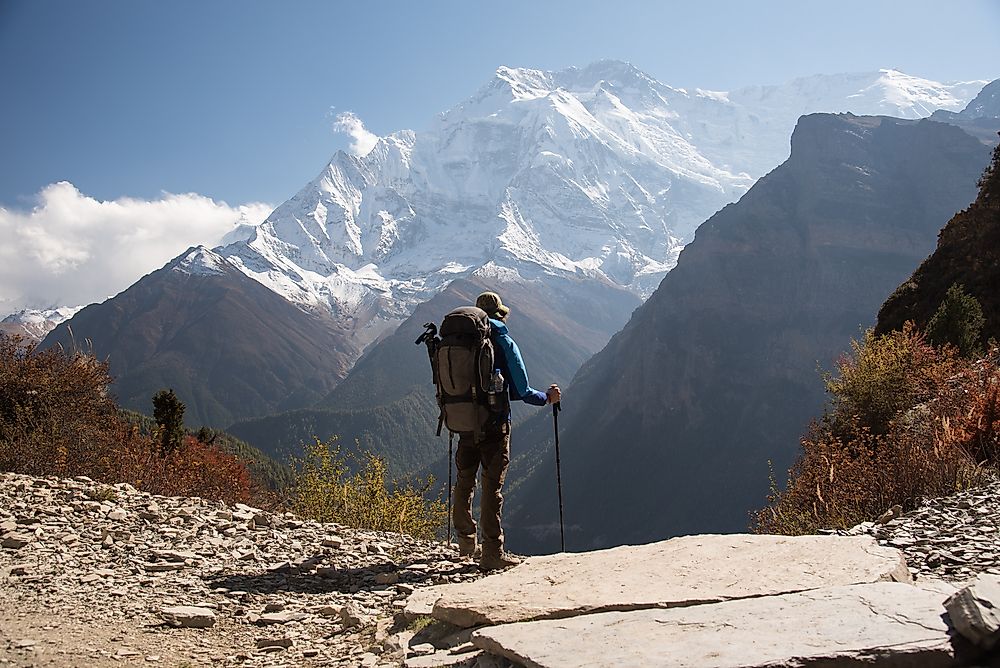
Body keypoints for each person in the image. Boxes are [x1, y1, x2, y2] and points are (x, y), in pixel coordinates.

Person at [453, 291, 561, 571]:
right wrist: (546, 398)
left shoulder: (458, 340)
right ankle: (491, 552)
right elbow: (522, 390)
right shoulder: (503, 340)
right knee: (491, 486)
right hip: (494, 423)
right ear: (499, 314)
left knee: (464, 480)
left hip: (463, 419)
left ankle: (465, 541)